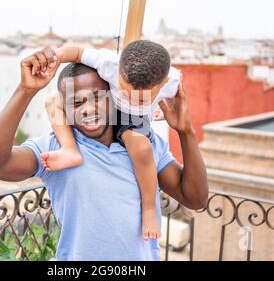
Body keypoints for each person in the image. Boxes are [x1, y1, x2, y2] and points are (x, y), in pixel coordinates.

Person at [0, 48, 208, 260]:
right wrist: (25, 90)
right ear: (63, 108)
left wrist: (185, 131)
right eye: (76, 102)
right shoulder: (55, 149)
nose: (88, 109)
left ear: (114, 97)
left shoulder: (144, 143)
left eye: (98, 98)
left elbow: (195, 198)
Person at [35, 41, 181, 239]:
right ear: (119, 71)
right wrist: (55, 56)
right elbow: (77, 51)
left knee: (141, 147)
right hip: (108, 104)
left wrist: (161, 110)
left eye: (140, 97)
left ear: (162, 84)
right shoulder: (109, 62)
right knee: (51, 100)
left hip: (133, 119)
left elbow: (175, 105)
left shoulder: (172, 81)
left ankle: (148, 209)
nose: (131, 97)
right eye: (126, 89)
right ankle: (69, 149)